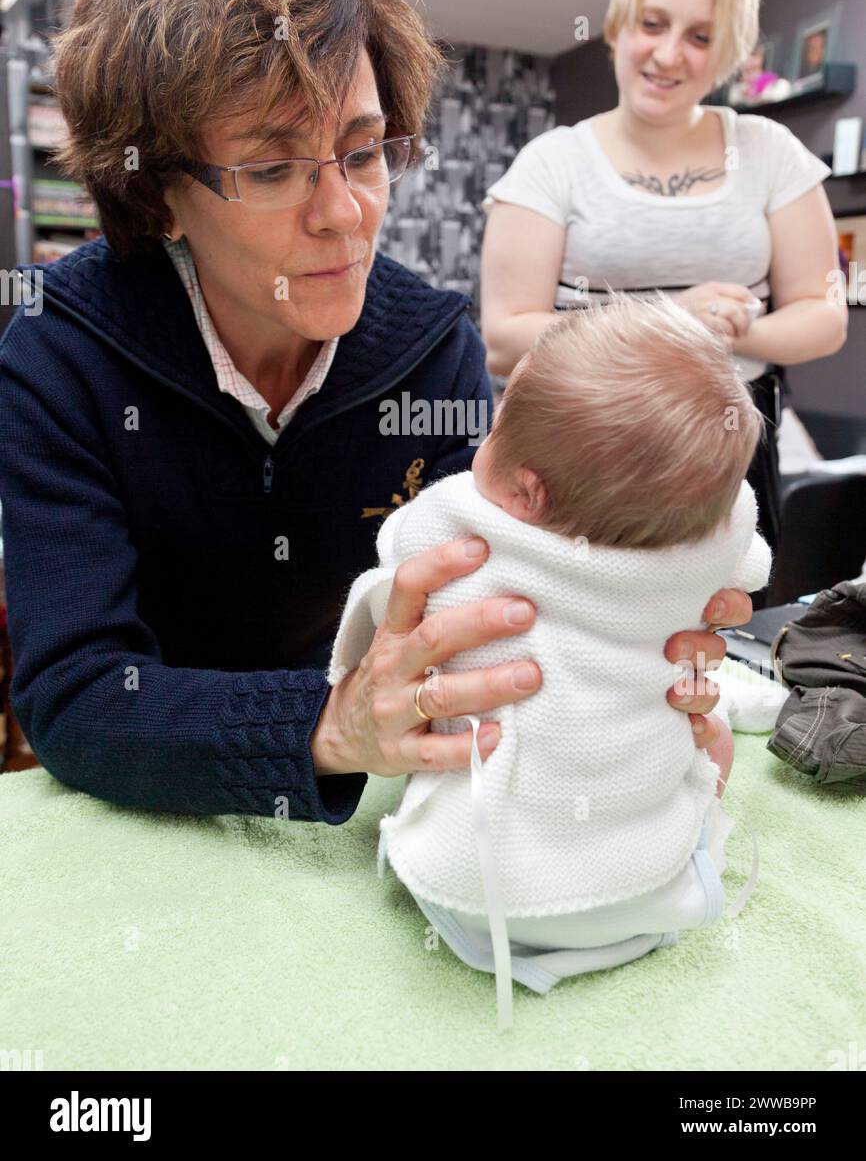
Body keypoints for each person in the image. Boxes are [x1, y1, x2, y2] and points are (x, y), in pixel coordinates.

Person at [0, 0, 748, 820]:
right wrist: (326, 726)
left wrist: (639, 657)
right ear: (158, 193)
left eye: (363, 153)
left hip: (374, 785)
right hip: (142, 800)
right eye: (273, 169)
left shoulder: (432, 350)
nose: (345, 213)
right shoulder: (62, 350)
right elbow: (76, 695)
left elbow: (502, 593)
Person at [327, 294, 771, 1017]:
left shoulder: (456, 539)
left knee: (458, 742)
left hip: (476, 895)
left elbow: (388, 584)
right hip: (651, 887)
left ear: (528, 492)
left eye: (499, 421)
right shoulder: (704, 548)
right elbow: (747, 559)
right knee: (707, 737)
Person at [480, 0, 847, 591]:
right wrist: (671, 319)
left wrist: (736, 330)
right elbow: (504, 340)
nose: (669, 54)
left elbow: (825, 314)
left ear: (728, 53)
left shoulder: (771, 153)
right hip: (582, 441)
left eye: (700, 36)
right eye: (653, 23)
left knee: (719, 648)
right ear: (618, 26)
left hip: (730, 442)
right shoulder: (552, 163)